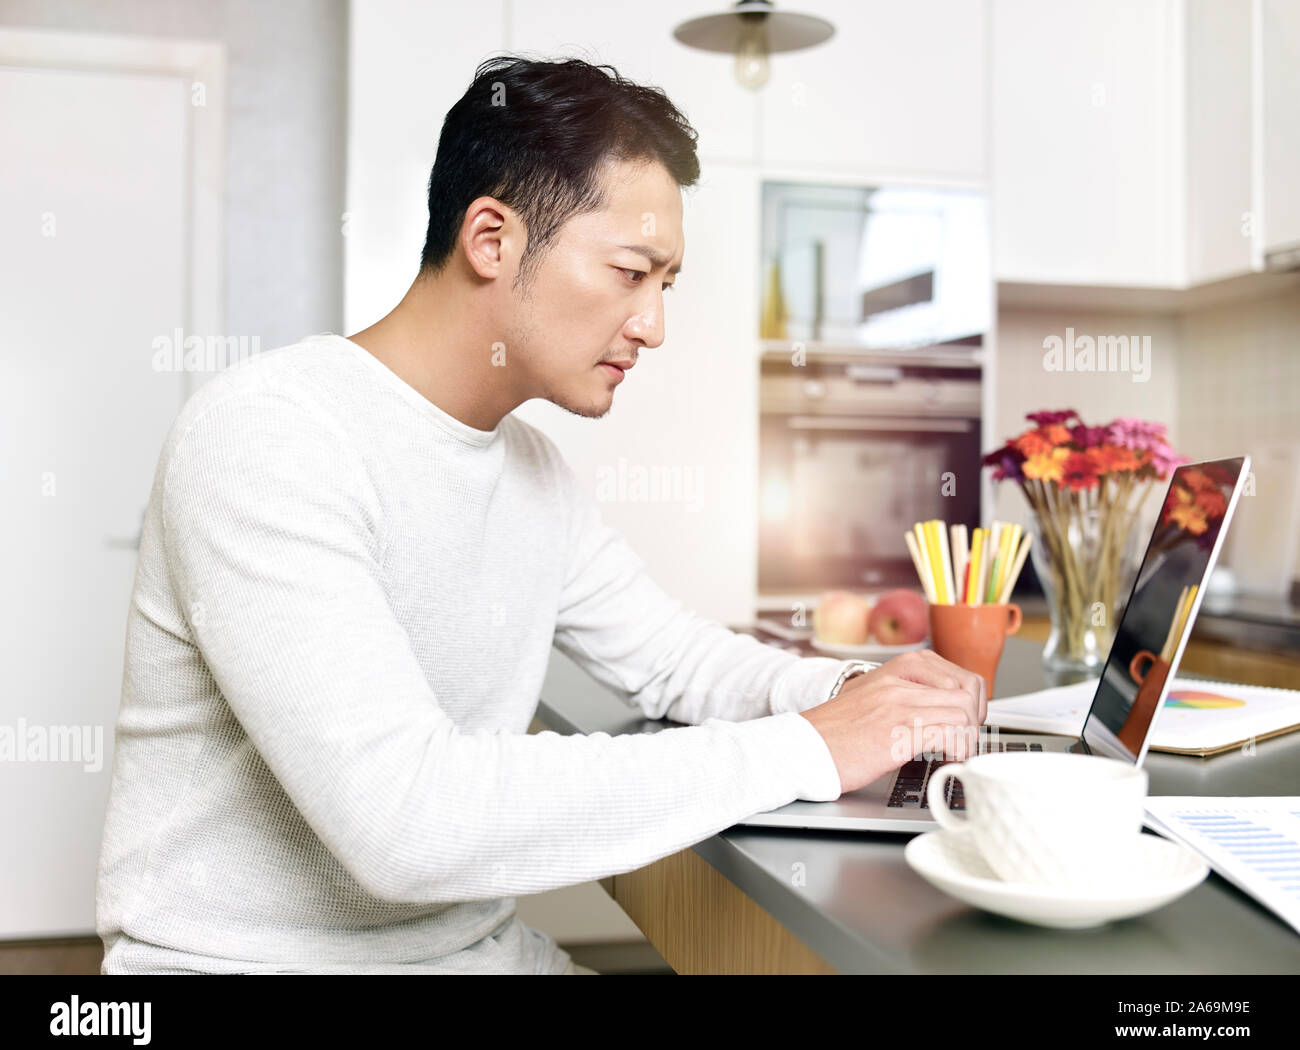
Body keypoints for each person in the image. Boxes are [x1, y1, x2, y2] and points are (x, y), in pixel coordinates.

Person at [96, 54, 985, 976]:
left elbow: (674, 663)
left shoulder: (532, 473)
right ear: (492, 239)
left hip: (471, 954)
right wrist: (807, 748)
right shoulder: (269, 437)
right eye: (632, 272)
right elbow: (407, 822)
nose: (653, 326)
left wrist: (855, 699)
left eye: (665, 285)